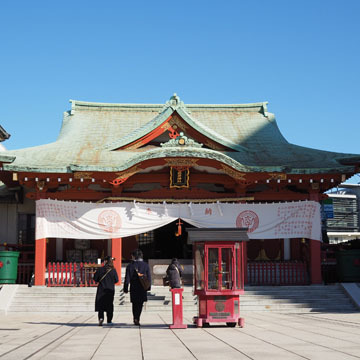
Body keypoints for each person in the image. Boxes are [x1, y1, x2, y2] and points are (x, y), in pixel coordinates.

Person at [123, 249, 151, 326]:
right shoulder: (146, 265)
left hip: (134, 287)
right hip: (142, 287)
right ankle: (137, 317)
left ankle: (135, 317)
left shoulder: (130, 266)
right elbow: (149, 277)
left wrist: (125, 288)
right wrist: (148, 287)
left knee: (134, 303)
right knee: (140, 303)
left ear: (134, 256)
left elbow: (127, 278)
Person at [93, 256, 119, 326]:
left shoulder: (100, 269)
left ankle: (101, 318)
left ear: (105, 261)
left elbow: (95, 279)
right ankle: (109, 320)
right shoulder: (113, 270)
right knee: (109, 304)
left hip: (101, 289)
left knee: (101, 304)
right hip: (110, 290)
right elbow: (117, 280)